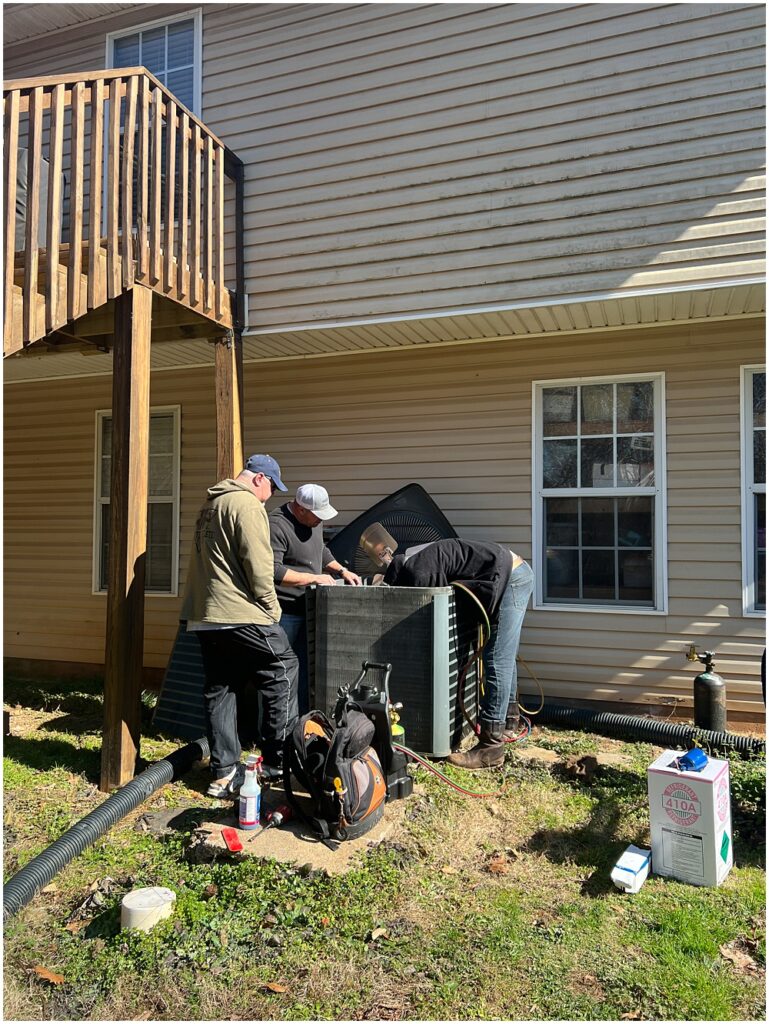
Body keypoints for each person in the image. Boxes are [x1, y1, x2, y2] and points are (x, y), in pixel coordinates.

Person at [181, 454, 299, 798]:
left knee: (221, 688)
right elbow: (260, 566)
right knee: (283, 671)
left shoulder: (210, 504)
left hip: (204, 615)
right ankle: (278, 763)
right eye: (272, 489)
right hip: (238, 613)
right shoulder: (246, 505)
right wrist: (271, 609)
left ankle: (224, 772)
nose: (270, 496)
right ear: (260, 479)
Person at [375, 534, 534, 769]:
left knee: (496, 659)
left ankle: (491, 747)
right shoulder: (419, 554)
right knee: (503, 656)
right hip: (516, 572)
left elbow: (432, 608)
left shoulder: (418, 569)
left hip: (512, 579)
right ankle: (509, 723)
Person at [270, 484, 362, 711]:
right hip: (285, 612)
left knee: (302, 669)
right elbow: (273, 571)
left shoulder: (313, 521)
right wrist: (313, 579)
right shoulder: (276, 525)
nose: (319, 521)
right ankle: (275, 731)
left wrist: (341, 571)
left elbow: (321, 551)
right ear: (300, 509)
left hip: (309, 609)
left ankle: (298, 723)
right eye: (316, 516)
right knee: (280, 673)